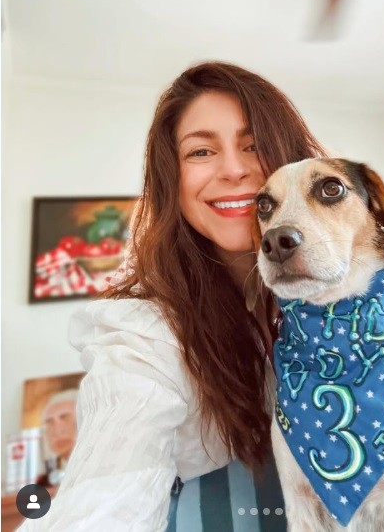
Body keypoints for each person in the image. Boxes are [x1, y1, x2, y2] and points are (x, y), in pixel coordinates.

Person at [19, 61, 326, 531]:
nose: (234, 169)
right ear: (172, 180)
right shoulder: (146, 332)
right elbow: (105, 493)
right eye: (201, 151)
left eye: (254, 145)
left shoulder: (342, 291)